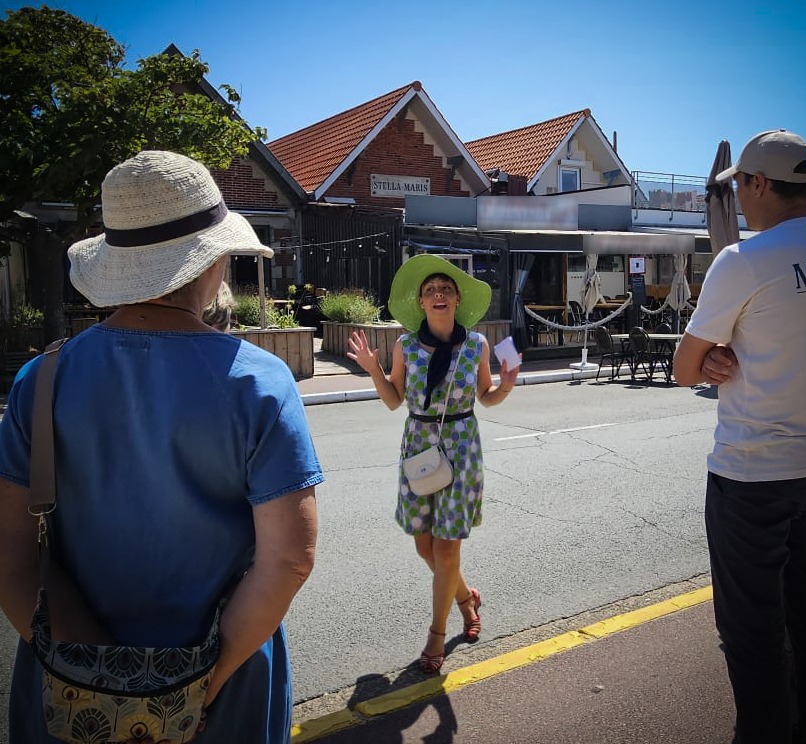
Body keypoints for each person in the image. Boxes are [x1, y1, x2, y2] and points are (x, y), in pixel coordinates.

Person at [0, 150, 322, 744]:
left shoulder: (40, 380)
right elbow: (288, 559)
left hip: (68, 699)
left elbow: (13, 560)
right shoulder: (258, 381)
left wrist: (92, 680)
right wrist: (193, 690)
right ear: (213, 263)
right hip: (224, 692)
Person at [674, 130, 806, 743]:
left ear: (756, 183)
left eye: (742, 189)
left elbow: (682, 368)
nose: (742, 204)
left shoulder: (743, 260)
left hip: (753, 472)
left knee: (752, 629)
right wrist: (728, 351)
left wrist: (712, 356)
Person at [347, 254, 518, 673]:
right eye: (430, 291)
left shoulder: (476, 345)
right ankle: (465, 596)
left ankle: (438, 635)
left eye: (445, 289)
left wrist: (506, 387)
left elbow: (486, 397)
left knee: (446, 546)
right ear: (421, 303)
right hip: (419, 447)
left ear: (457, 299)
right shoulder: (405, 346)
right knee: (424, 544)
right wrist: (373, 370)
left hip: (461, 450)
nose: (438, 295)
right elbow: (393, 401)